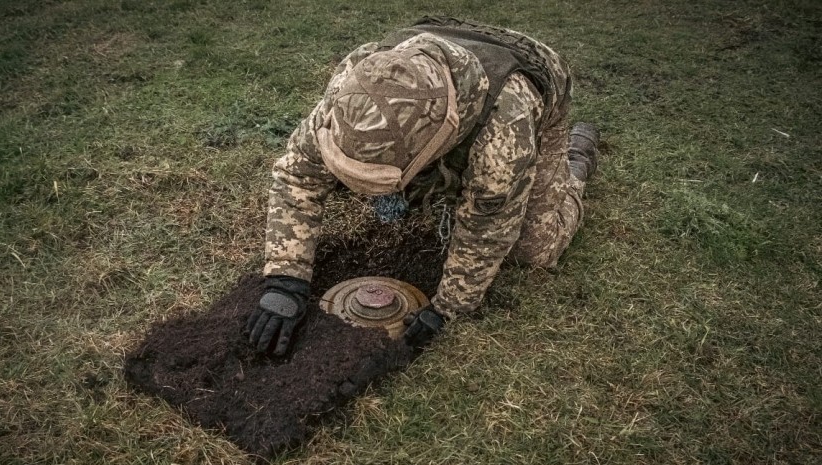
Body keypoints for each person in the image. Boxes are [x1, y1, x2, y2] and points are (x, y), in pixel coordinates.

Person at [245, 17, 600, 356]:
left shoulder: (505, 136)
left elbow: (486, 231)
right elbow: (298, 175)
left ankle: (575, 161)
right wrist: (285, 279)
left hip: (536, 72)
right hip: (442, 49)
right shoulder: (354, 87)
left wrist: (446, 308)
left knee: (535, 251)